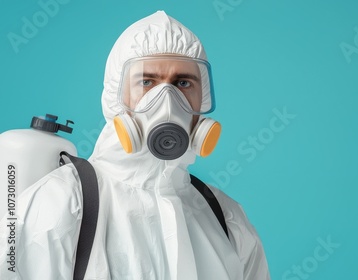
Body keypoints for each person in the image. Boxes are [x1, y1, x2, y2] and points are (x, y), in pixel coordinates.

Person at [0, 10, 270, 280]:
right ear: (115, 97)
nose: (167, 101)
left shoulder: (226, 219)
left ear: (202, 99)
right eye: (146, 82)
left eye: (183, 83)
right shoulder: (61, 204)